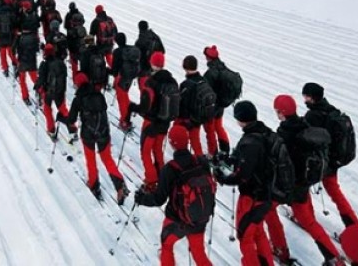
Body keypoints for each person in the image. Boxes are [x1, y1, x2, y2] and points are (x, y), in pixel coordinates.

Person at [264, 95, 345, 265]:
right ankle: (335, 258)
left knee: (268, 210)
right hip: (303, 183)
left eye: (277, 111)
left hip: (287, 186)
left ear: (282, 112)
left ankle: (280, 249)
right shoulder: (305, 126)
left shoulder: (284, 134)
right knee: (308, 220)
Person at [135, 126, 214, 266]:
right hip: (199, 217)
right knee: (198, 253)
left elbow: (159, 199)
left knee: (166, 245)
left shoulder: (170, 169)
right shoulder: (201, 161)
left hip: (178, 219)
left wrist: (142, 198)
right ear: (188, 141)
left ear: (171, 143)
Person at [212, 101, 276, 266]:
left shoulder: (249, 142)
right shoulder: (265, 133)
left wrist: (223, 178)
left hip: (251, 196)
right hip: (266, 193)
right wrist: (229, 159)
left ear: (241, 119)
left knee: (245, 236)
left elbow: (242, 175)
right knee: (258, 231)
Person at [61, 72, 129, 203]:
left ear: (77, 84)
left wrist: (62, 118)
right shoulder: (99, 94)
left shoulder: (78, 99)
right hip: (104, 131)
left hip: (88, 134)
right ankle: (120, 186)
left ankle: (93, 185)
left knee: (91, 160)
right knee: (107, 159)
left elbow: (71, 119)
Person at [302, 82, 358, 227]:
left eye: (306, 97)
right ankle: (353, 224)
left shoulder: (313, 116)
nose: (304, 100)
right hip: (334, 161)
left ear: (312, 98)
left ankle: (307, 220)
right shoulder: (332, 111)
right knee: (335, 192)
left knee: (302, 187)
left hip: (320, 163)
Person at [127, 52, 177, 190]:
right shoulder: (172, 81)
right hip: (165, 123)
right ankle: (162, 175)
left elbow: (145, 107)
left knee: (145, 151)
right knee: (158, 149)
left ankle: (151, 179)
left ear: (152, 64)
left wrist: (133, 108)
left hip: (151, 123)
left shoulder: (151, 82)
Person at [176, 56, 215, 157]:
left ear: (185, 68)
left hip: (193, 118)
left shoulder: (185, 85)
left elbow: (183, 104)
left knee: (194, 141)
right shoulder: (204, 80)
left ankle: (198, 159)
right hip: (205, 113)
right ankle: (213, 153)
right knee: (209, 134)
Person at [34, 44, 75, 140]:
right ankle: (72, 128)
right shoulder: (61, 63)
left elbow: (41, 79)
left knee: (47, 109)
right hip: (60, 92)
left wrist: (37, 87)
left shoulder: (44, 64)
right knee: (63, 110)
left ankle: (51, 129)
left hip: (48, 92)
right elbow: (64, 77)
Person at [202, 45, 236, 157]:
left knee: (210, 129)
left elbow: (205, 91)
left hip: (213, 106)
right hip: (221, 104)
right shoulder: (223, 68)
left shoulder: (210, 73)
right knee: (219, 126)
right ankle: (225, 149)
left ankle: (213, 152)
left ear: (208, 58)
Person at [110, 33, 140, 130]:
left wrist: (113, 74)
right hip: (130, 77)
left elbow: (114, 68)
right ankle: (128, 112)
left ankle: (124, 121)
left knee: (121, 99)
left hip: (121, 77)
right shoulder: (131, 50)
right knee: (125, 95)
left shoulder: (117, 52)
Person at [135, 20, 165, 89]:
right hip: (156, 68)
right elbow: (163, 51)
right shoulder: (155, 36)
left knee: (145, 90)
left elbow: (137, 57)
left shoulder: (140, 41)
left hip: (145, 70)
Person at [13, 29, 39, 105]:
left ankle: (25, 97)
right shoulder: (34, 37)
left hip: (22, 62)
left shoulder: (19, 37)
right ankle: (41, 94)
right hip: (32, 62)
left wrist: (15, 60)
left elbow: (13, 49)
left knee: (22, 80)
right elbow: (37, 49)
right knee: (35, 79)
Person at [0, 0, 18, 77]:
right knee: (11, 52)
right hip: (10, 36)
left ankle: (5, 69)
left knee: (3, 53)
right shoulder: (12, 13)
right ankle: (16, 65)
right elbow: (15, 24)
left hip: (1, 36)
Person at [64, 2, 87, 77]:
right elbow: (89, 41)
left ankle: (75, 79)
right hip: (82, 49)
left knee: (74, 65)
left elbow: (65, 26)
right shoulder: (84, 29)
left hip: (74, 49)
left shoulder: (68, 15)